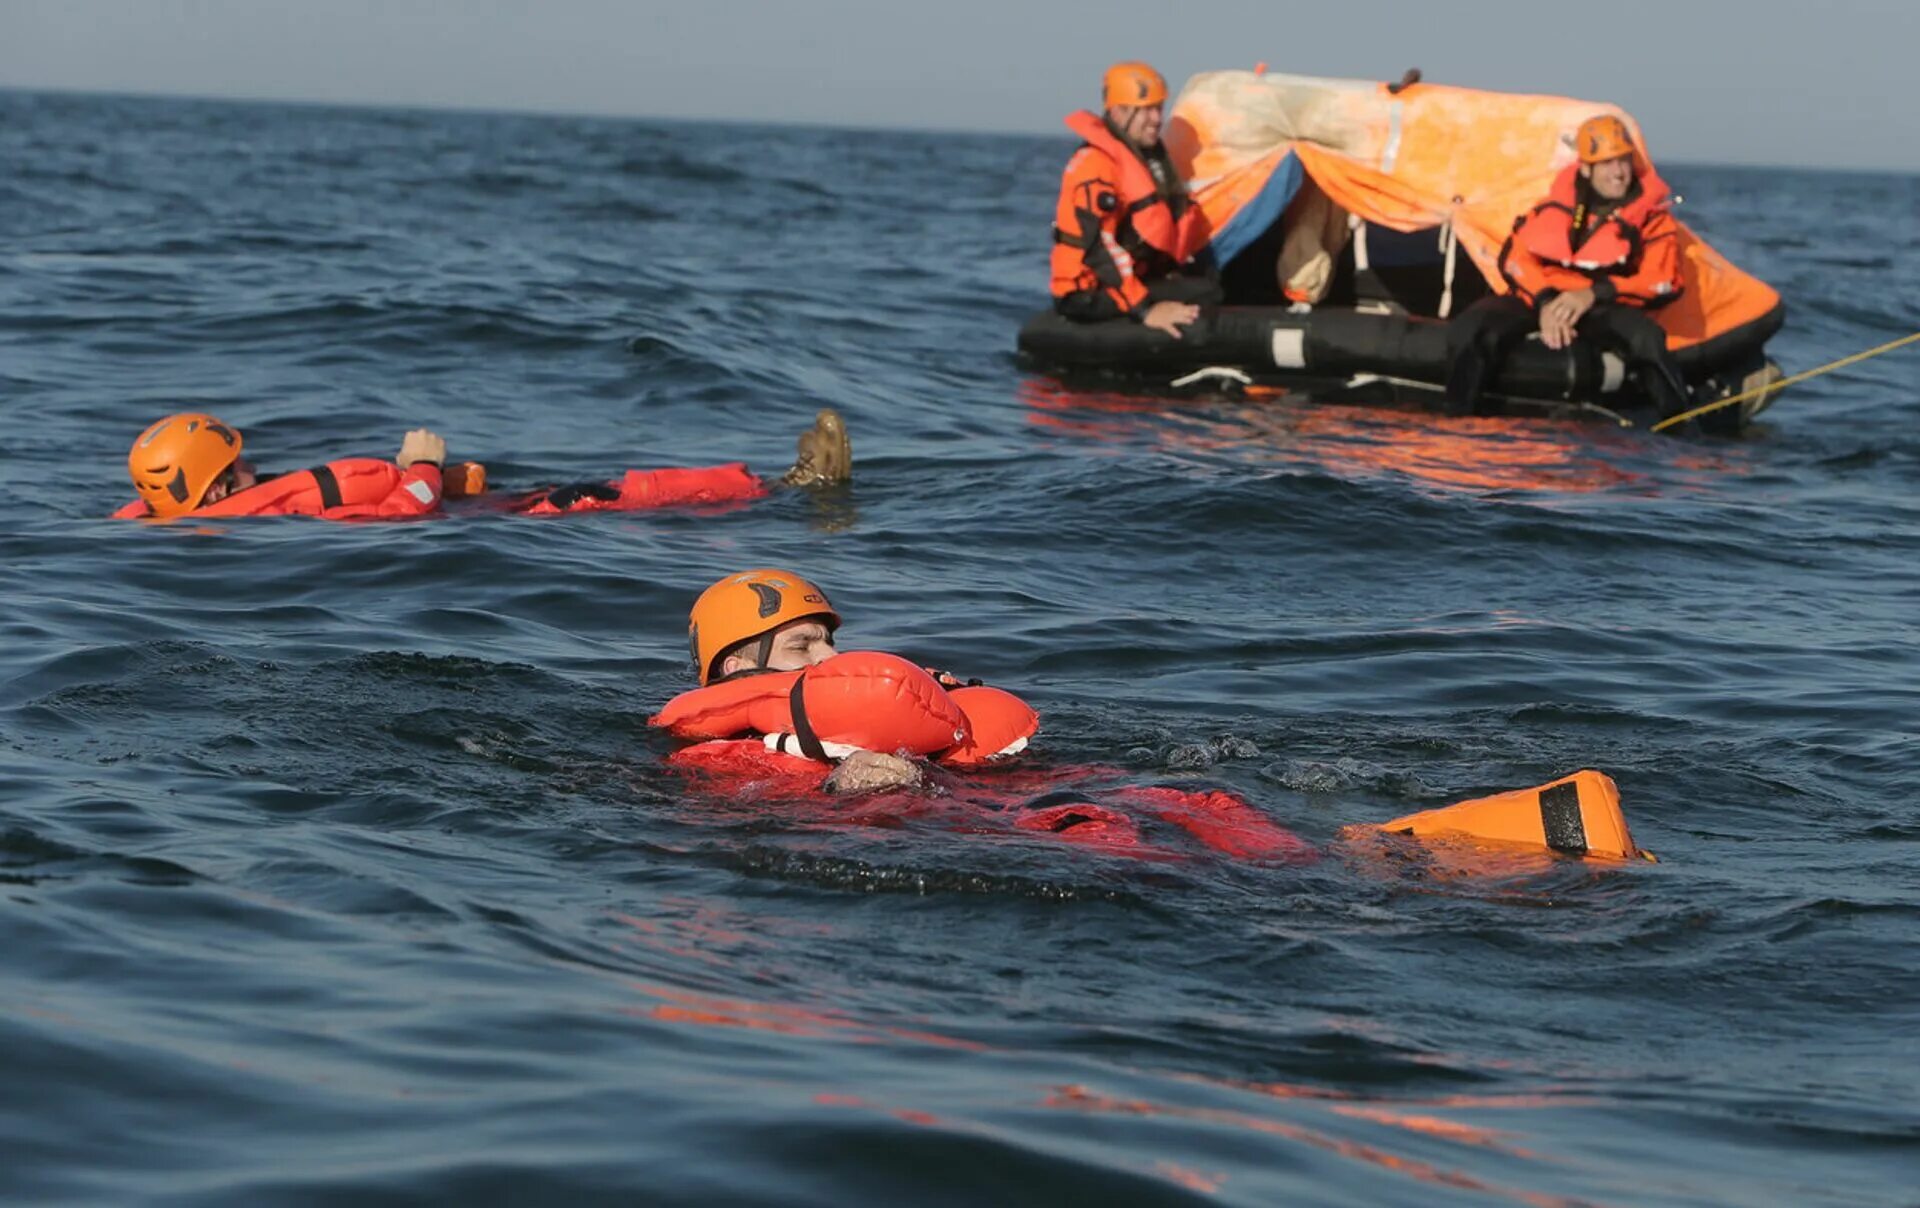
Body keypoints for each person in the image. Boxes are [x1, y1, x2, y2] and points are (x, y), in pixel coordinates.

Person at [112, 409, 851, 521]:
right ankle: (786, 489)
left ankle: (772, 487)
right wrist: (421, 464)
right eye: (238, 468)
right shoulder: (279, 514)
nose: (254, 469)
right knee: (608, 493)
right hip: (472, 525)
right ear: (213, 486)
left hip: (473, 513)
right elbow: (402, 517)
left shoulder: (164, 519)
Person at [1445, 114, 1691, 419]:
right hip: (1543, 297)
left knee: (1646, 339)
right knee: (1473, 328)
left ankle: (1677, 428)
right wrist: (1546, 301)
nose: (1618, 173)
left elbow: (1662, 279)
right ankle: (1458, 419)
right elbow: (1516, 258)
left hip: (1602, 305)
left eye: (1623, 162)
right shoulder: (1556, 203)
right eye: (1606, 163)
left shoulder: (1652, 218)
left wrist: (1593, 294)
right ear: (1586, 168)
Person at [680, 568, 922, 795]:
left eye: (829, 643)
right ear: (738, 668)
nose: (831, 656)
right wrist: (836, 787)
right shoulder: (712, 760)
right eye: (801, 646)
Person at [1050, 61, 1217, 340]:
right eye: (1146, 110)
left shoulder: (1147, 161)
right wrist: (1145, 310)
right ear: (1118, 112)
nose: (1156, 118)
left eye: (1159, 108)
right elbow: (1098, 250)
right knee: (1205, 298)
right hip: (1086, 292)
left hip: (1126, 280)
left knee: (1207, 284)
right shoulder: (1095, 166)